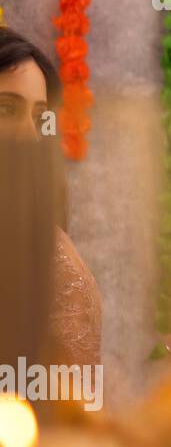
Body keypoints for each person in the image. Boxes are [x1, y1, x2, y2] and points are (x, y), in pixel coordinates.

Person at [0, 26, 101, 366]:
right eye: (6, 110)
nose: (30, 135)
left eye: (38, 117)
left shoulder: (44, 251)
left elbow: (67, 405)